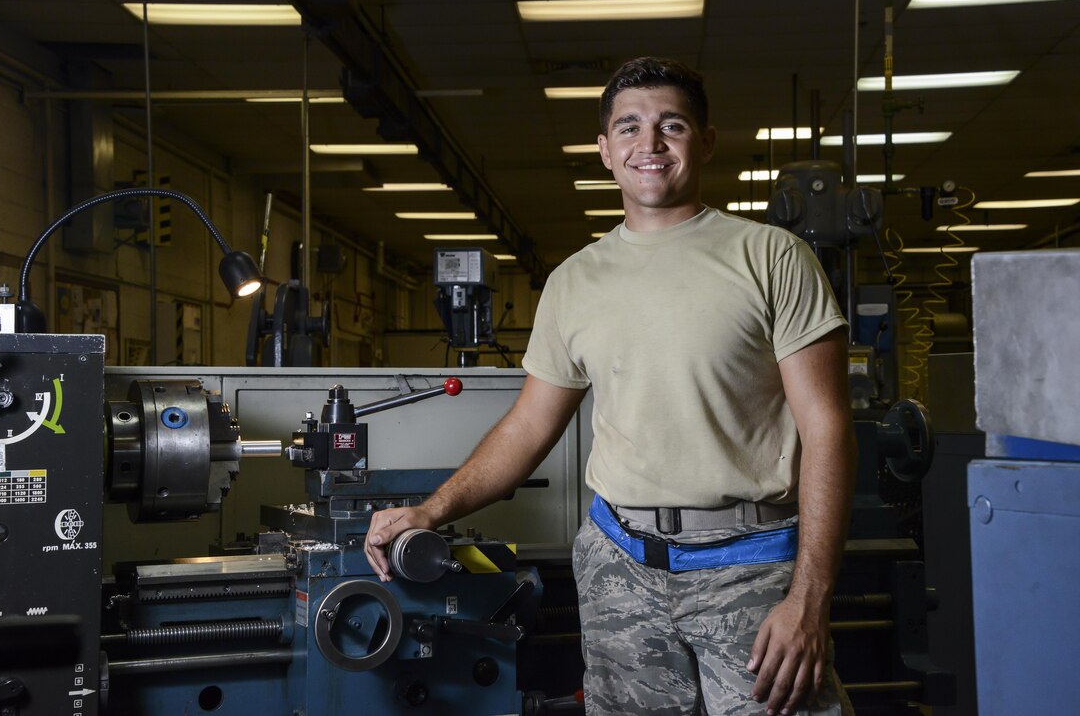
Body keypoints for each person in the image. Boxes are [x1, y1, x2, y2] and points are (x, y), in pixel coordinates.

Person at [365, 56, 857, 716]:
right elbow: (529, 426)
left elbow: (828, 429)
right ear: (604, 149)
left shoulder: (770, 257)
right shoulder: (574, 281)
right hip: (618, 566)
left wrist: (810, 598)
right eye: (628, 127)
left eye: (671, 125)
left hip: (747, 567)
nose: (648, 145)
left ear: (705, 141)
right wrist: (432, 511)